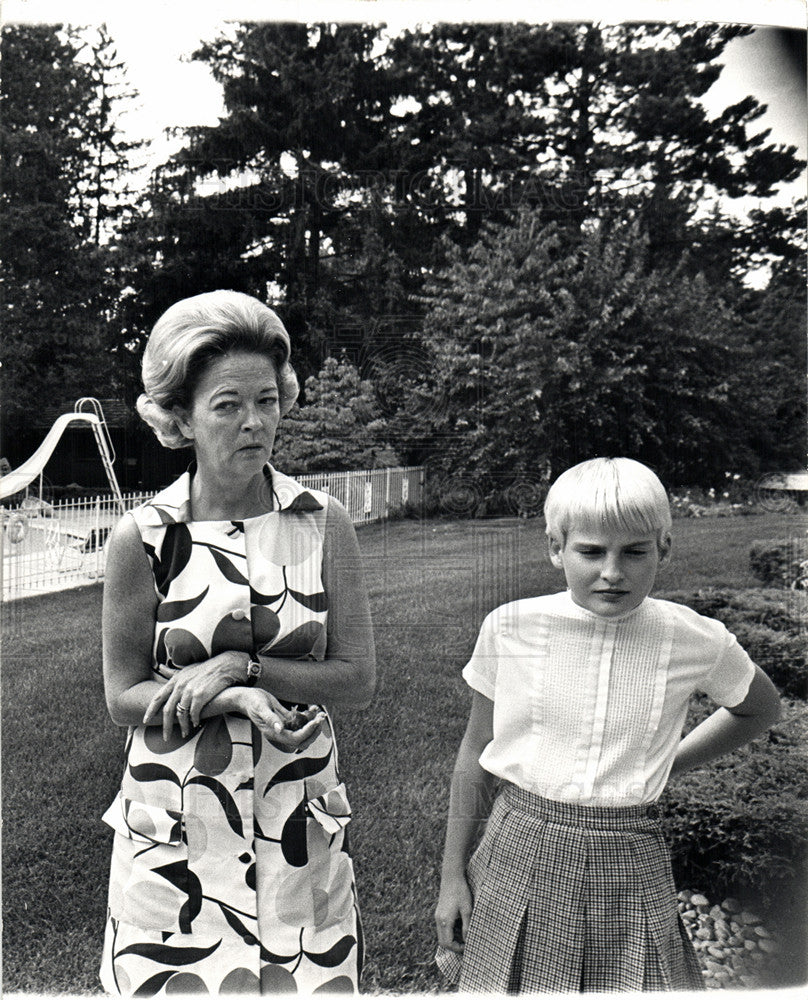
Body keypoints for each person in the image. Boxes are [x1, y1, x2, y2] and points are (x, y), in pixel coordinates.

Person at [100, 290, 375, 996]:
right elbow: (124, 697)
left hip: (296, 823)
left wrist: (246, 663)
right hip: (177, 829)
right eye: (227, 405)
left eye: (266, 400)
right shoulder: (145, 537)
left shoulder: (323, 523)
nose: (254, 422)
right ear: (180, 418)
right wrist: (236, 695)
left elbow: (356, 678)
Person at [434, 457, 782, 993]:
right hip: (517, 848)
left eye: (635, 551)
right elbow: (475, 751)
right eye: (591, 551)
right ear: (556, 547)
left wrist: (666, 762)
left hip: (628, 857)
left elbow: (759, 707)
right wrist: (452, 874)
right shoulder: (512, 627)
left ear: (663, 548)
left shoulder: (694, 638)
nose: (612, 572)